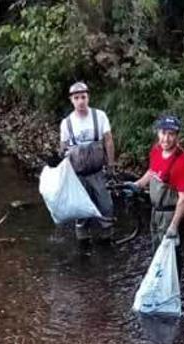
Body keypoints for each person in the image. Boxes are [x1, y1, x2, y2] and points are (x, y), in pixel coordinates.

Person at [124, 115, 184, 270]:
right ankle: (158, 285)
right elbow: (152, 171)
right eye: (163, 133)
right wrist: (138, 185)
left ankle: (173, 289)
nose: (166, 138)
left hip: (170, 216)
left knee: (171, 258)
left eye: (171, 134)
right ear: (158, 133)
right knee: (157, 253)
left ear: (177, 136)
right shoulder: (156, 150)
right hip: (155, 212)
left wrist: (174, 226)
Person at [59, 81, 116, 243]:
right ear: (72, 100)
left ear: (88, 97)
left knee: (106, 206)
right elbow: (63, 149)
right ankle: (83, 242)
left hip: (98, 172)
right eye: (76, 98)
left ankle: (107, 238)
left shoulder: (100, 116)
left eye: (83, 97)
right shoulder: (66, 123)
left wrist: (111, 164)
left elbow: (109, 141)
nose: (80, 101)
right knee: (81, 210)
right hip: (78, 175)